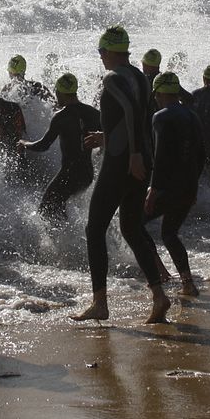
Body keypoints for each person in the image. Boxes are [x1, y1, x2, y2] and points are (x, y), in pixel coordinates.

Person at [72, 26, 170, 324]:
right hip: (138, 161)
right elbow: (142, 117)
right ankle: (158, 296)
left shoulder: (112, 77)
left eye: (102, 51)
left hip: (121, 163)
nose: (100, 57)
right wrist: (109, 136)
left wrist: (132, 153)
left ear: (112, 51)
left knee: (94, 229)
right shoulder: (140, 76)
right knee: (130, 228)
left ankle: (100, 303)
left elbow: (129, 110)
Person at [147, 72, 205, 296]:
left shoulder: (161, 117)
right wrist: (194, 184)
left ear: (159, 92)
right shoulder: (192, 115)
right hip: (188, 184)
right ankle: (187, 283)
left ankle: (159, 274)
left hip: (167, 186)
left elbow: (161, 157)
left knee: (134, 225)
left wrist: (154, 189)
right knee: (169, 233)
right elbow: (201, 155)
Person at [22, 72, 101, 222]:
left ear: (61, 92)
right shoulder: (93, 113)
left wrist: (25, 144)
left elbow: (43, 145)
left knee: (45, 209)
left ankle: (65, 243)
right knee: (58, 205)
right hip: (87, 175)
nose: (56, 95)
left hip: (70, 174)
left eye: (57, 92)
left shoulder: (61, 116)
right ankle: (72, 237)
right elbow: (112, 131)